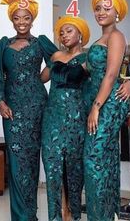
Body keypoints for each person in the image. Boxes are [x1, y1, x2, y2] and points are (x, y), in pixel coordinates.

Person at [0, 0, 58, 221]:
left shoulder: (40, 42)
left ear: (32, 19)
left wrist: (42, 77)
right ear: (12, 20)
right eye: (17, 18)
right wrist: (0, 101)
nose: (21, 22)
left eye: (26, 18)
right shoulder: (4, 44)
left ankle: (32, 214)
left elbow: (57, 60)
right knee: (17, 162)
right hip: (12, 108)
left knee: (33, 160)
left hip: (38, 106)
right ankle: (21, 217)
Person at [83, 0, 130, 220]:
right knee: (107, 157)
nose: (101, 12)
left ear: (118, 13)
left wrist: (96, 106)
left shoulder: (116, 36)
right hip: (100, 101)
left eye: (107, 8)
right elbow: (91, 71)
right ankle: (108, 213)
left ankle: (99, 215)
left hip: (108, 103)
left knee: (94, 157)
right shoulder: (99, 39)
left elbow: (111, 75)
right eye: (98, 8)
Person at [41, 15, 90, 221]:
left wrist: (128, 83)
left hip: (76, 119)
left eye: (69, 31)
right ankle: (56, 216)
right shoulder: (55, 57)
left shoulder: (89, 59)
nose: (64, 35)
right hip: (52, 118)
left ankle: (72, 214)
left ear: (80, 34)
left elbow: (108, 76)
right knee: (52, 169)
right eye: (61, 32)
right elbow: (38, 80)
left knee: (74, 169)